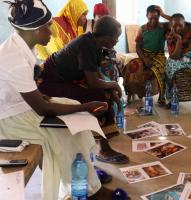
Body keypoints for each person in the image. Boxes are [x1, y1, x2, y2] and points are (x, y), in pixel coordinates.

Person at [0, 1, 129, 199]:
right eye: (48, 26)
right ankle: (85, 187)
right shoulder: (14, 57)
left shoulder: (23, 45)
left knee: (74, 108)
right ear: (35, 30)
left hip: (20, 106)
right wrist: (88, 106)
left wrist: (77, 106)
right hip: (9, 120)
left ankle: (86, 175)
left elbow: (22, 89)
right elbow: (43, 109)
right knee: (67, 132)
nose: (52, 31)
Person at [37, 16, 129, 164]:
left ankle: (100, 135)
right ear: (105, 37)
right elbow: (93, 82)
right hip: (50, 83)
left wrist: (111, 87)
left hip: (64, 78)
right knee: (97, 97)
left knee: (104, 92)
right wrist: (115, 85)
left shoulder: (94, 43)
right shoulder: (87, 45)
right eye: (116, 37)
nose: (117, 40)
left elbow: (96, 74)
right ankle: (102, 148)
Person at [123, 5, 170, 105]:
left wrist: (163, 14)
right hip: (144, 55)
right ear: (146, 16)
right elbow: (138, 48)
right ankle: (133, 91)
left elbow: (176, 22)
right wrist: (144, 59)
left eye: (156, 18)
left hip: (159, 55)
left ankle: (162, 97)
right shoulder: (142, 29)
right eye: (150, 18)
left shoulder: (163, 27)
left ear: (159, 17)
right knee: (132, 67)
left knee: (161, 69)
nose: (153, 21)